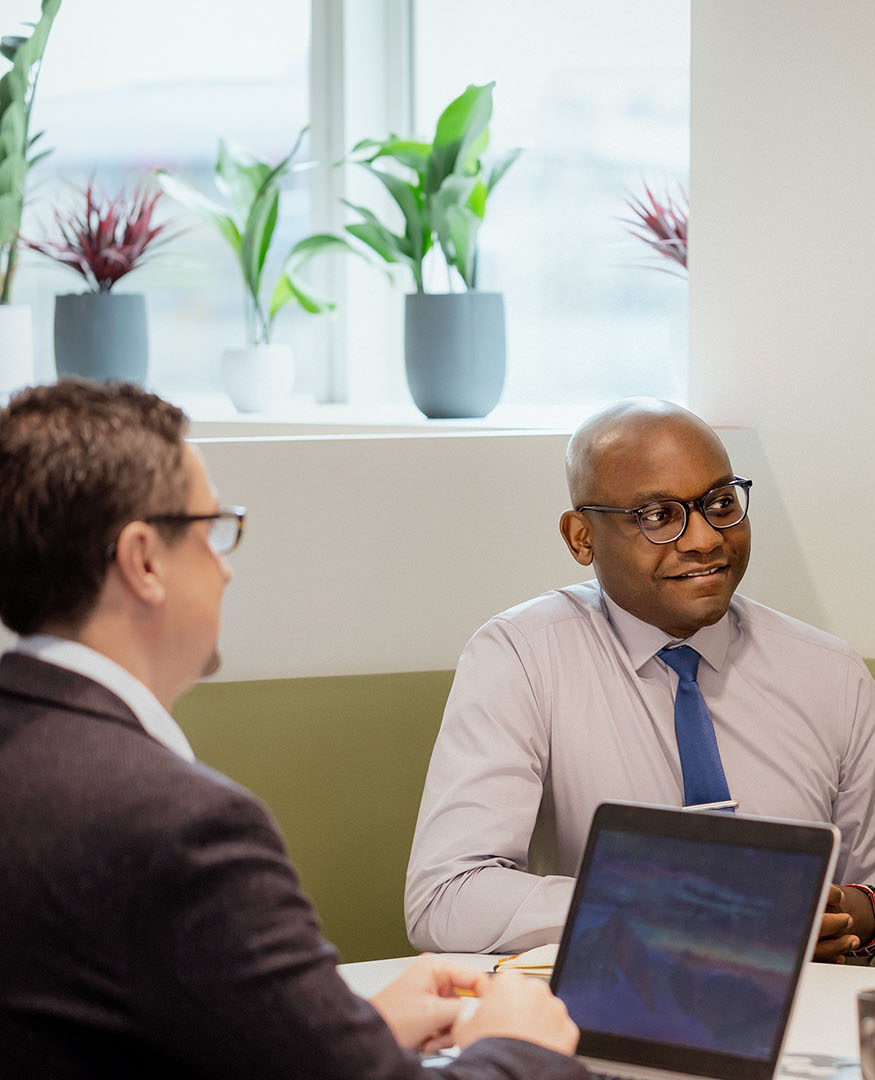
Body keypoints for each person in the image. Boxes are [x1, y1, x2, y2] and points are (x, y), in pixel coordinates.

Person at [0, 380, 584, 1079]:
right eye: (212, 529)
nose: (224, 569)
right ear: (144, 561)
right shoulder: (177, 827)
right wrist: (517, 1050)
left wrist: (353, 1032)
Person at [406, 399, 875, 967]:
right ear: (581, 537)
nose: (706, 538)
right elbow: (445, 897)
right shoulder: (523, 657)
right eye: (659, 516)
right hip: (610, 1014)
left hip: (803, 1022)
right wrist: (676, 910)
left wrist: (861, 919)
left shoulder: (830, 674)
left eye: (721, 502)